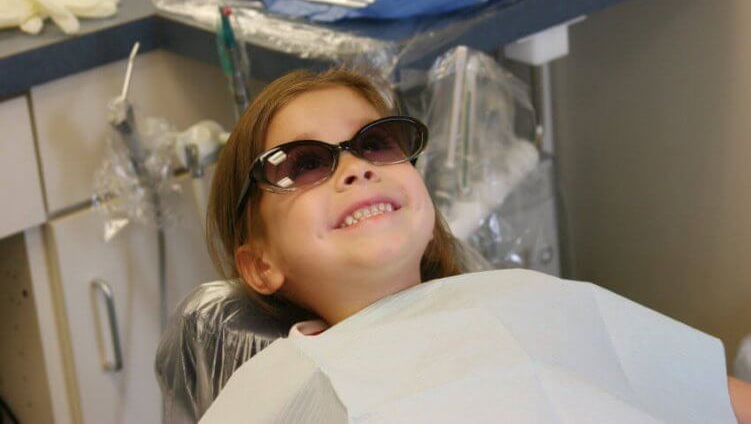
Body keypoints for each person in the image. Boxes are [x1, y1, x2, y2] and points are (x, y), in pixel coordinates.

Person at [206, 67, 751, 422]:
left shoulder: (533, 301)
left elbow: (714, 399)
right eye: (303, 164)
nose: (354, 168)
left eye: (375, 144)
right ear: (260, 265)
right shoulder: (283, 394)